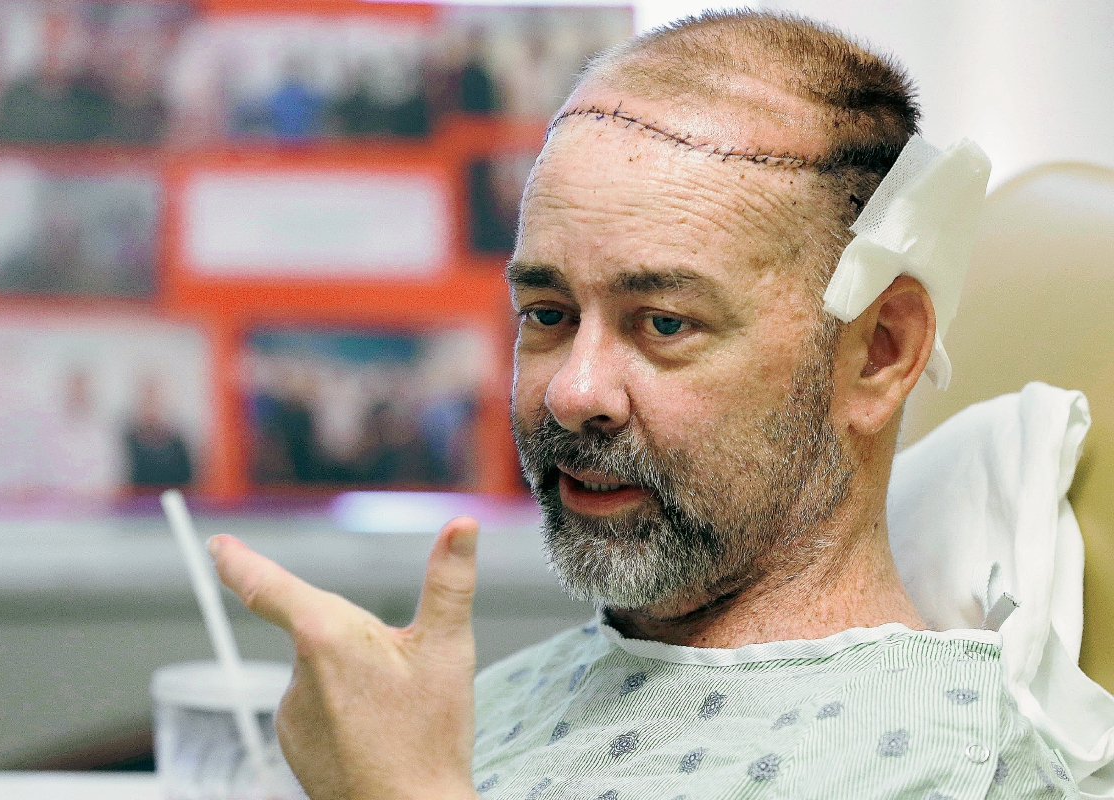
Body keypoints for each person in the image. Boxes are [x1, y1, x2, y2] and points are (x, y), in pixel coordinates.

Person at [206, 11, 1080, 799]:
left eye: (664, 323)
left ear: (878, 353)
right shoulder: (478, 711)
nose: (572, 392)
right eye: (548, 314)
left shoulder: (949, 768)